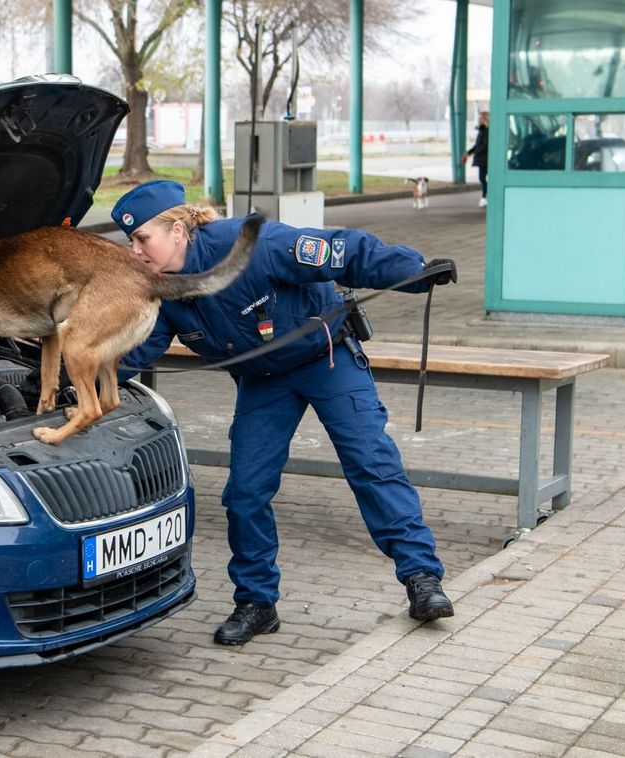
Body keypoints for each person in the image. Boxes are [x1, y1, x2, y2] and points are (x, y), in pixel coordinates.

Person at [113, 180, 457, 646]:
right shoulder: (162, 289)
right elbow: (136, 351)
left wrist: (412, 269)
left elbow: (341, 251)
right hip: (265, 384)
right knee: (245, 492)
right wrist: (74, 381)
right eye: (130, 242)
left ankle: (421, 579)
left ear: (178, 230)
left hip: (328, 361)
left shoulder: (254, 245)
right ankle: (256, 602)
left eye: (142, 239)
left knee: (372, 465)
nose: (134, 251)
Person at [465, 111, 490, 207]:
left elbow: (484, 145)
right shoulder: (482, 131)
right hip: (482, 158)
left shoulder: (488, 131)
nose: (479, 121)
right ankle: (485, 196)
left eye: (481, 119)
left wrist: (476, 152)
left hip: (485, 159)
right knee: (482, 178)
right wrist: (469, 152)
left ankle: (485, 197)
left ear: (485, 120)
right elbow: (477, 145)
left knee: (483, 178)